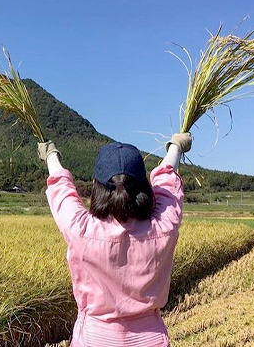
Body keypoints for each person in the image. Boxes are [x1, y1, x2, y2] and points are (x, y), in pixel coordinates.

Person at [37, 133, 192, 347]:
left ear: (95, 185)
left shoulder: (81, 229)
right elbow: (167, 181)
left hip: (93, 340)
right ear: (145, 187)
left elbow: (62, 190)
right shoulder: (165, 226)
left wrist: (51, 155)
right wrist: (176, 147)